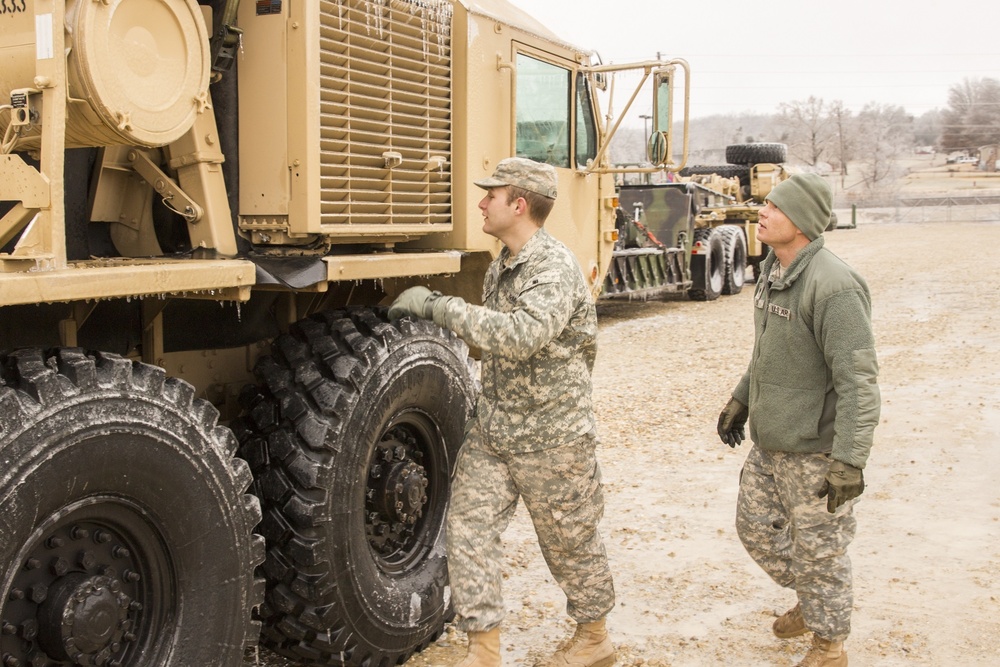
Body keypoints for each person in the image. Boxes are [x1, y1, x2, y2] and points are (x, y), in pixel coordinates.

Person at [388, 157, 616, 667]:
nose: (481, 203)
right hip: (496, 432)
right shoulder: (503, 263)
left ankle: (595, 637)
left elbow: (520, 336)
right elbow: (490, 343)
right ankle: (483, 650)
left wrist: (438, 307)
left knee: (569, 542)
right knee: (468, 532)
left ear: (519, 205)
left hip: (553, 437)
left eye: (492, 195)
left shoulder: (553, 267)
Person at [717, 173, 881, 667]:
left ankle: (829, 647)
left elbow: (859, 382)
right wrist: (741, 399)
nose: (761, 212)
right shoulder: (772, 271)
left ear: (803, 222)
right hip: (772, 442)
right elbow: (768, 352)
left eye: (773, 206)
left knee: (822, 551)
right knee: (756, 529)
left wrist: (849, 460)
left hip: (816, 452)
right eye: (763, 204)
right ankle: (815, 599)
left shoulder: (834, 286)